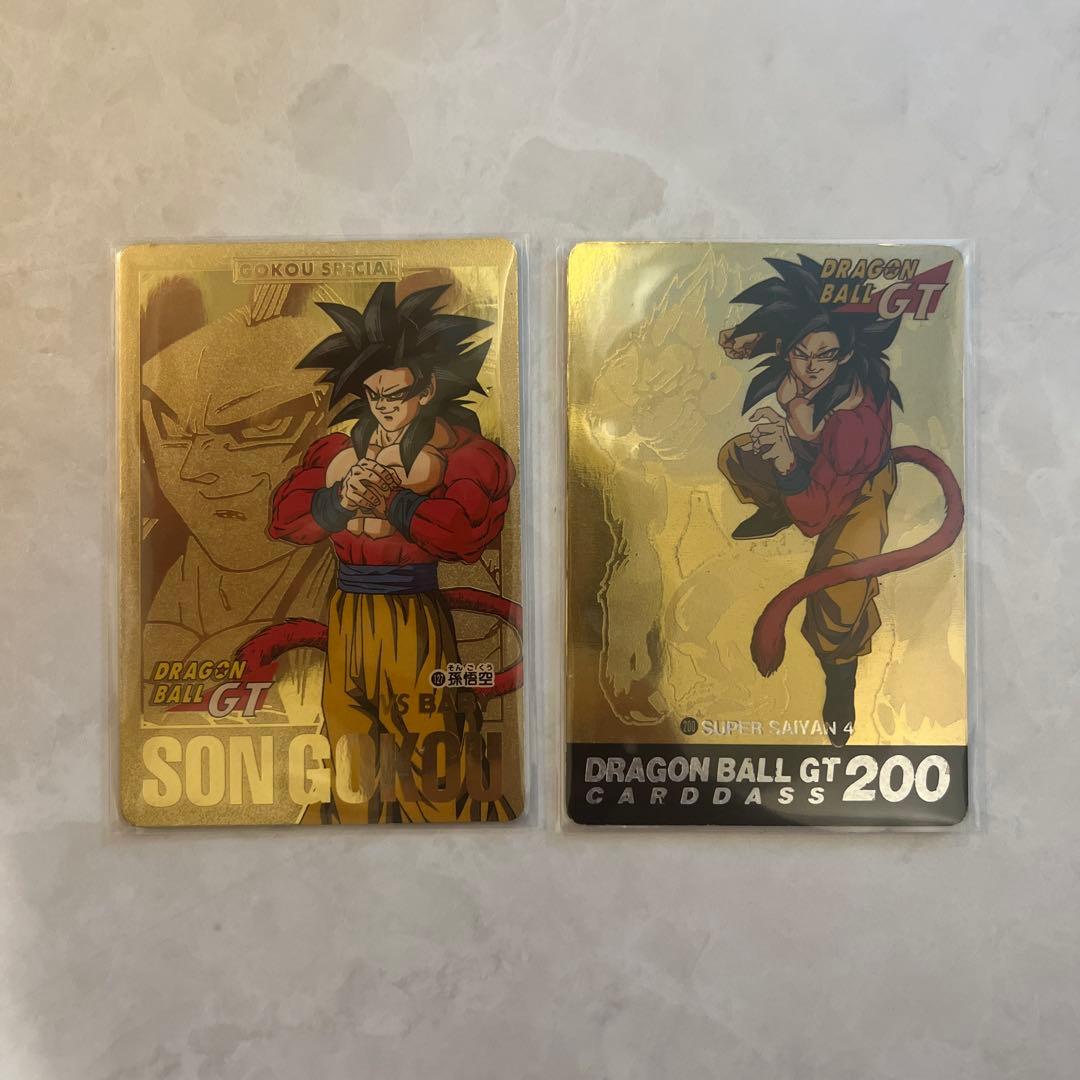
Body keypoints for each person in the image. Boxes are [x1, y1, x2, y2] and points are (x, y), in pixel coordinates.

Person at [268, 282, 515, 821]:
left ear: (426, 389)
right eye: (373, 395)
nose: (383, 407)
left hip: (412, 615)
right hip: (348, 613)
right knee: (350, 760)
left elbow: (466, 533)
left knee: (432, 762)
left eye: (395, 395)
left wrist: (395, 503)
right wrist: (337, 500)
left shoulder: (467, 454)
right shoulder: (338, 451)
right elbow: (284, 520)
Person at [716, 256, 903, 745]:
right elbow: (800, 333)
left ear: (846, 356)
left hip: (855, 485)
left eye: (825, 356)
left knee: (840, 593)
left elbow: (819, 515)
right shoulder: (811, 356)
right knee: (737, 456)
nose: (811, 366)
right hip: (813, 455)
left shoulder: (854, 426)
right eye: (800, 354)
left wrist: (787, 464)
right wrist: (752, 336)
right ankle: (779, 506)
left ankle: (841, 677)